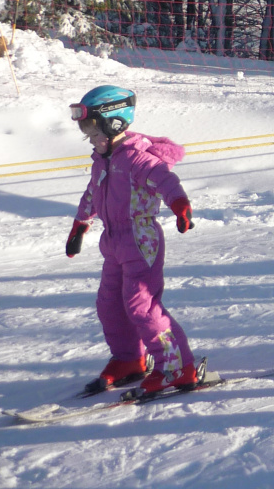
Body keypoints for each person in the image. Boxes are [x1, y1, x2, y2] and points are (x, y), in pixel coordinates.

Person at [64, 85, 198, 396]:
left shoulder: (138, 159)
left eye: (95, 134)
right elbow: (92, 194)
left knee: (142, 307)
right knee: (109, 305)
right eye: (89, 136)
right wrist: (80, 225)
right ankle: (129, 358)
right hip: (112, 242)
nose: (92, 141)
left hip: (141, 241)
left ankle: (179, 367)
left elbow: (166, 180)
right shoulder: (104, 159)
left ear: (115, 125)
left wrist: (180, 205)